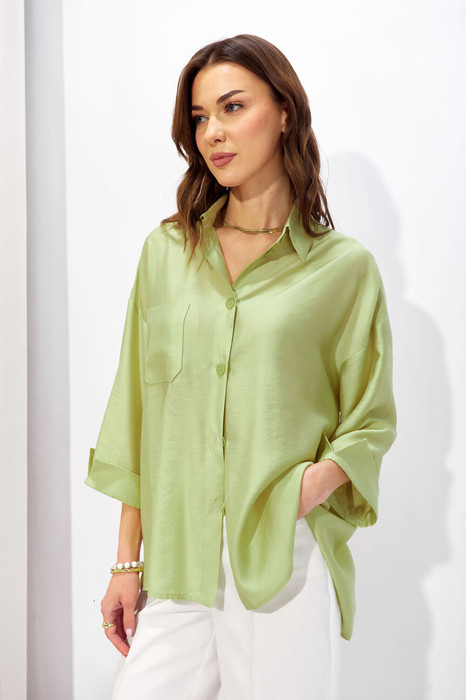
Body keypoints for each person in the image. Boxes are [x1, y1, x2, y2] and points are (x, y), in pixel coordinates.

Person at [85, 33, 397, 700]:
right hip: (177, 557)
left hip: (278, 557)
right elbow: (136, 413)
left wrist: (303, 493)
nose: (212, 133)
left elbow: (369, 420)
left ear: (284, 111)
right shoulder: (168, 252)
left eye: (232, 107)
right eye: (200, 117)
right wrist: (125, 562)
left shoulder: (344, 269)